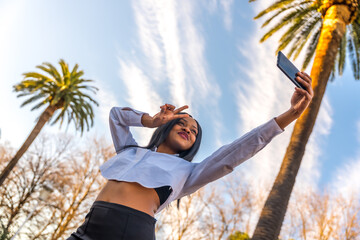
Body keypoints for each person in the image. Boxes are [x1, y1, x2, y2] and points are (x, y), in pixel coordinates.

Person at [67, 72, 313, 240]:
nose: (187, 129)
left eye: (194, 131)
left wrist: (291, 114)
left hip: (131, 230)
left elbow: (237, 151)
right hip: (90, 223)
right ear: (168, 126)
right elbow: (116, 116)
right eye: (182, 123)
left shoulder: (189, 173)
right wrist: (151, 120)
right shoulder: (129, 150)